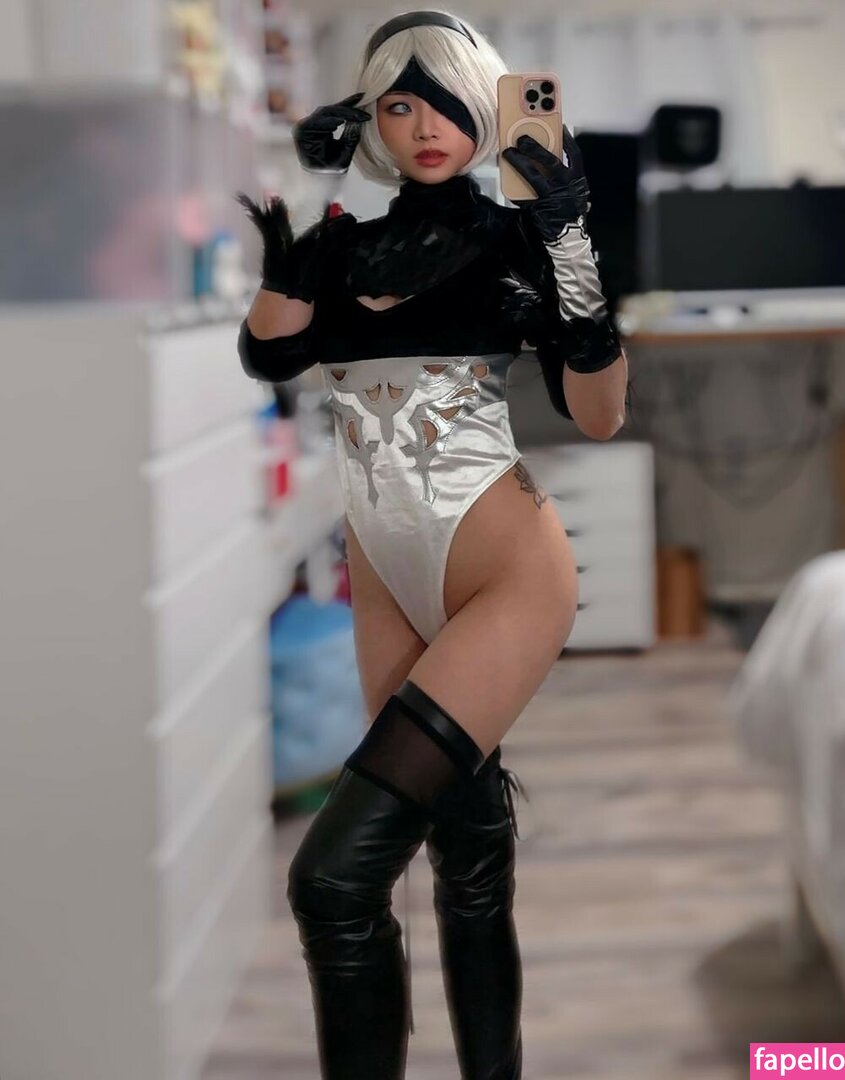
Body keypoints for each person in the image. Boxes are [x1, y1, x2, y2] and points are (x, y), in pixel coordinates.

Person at [235, 10, 628, 1078]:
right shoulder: (339, 247)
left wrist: (570, 241)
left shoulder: (520, 241)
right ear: (371, 117)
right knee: (467, 849)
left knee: (334, 881)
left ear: (485, 108)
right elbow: (270, 356)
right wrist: (302, 213)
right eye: (400, 105)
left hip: (506, 568)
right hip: (385, 572)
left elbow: (599, 414)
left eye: (449, 103)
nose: (425, 128)